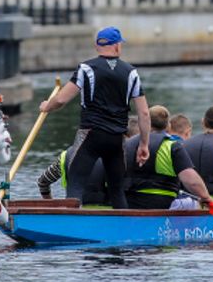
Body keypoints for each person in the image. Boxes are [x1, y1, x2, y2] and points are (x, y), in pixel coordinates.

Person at [39, 26, 151, 209]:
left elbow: (61, 99)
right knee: (117, 190)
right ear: (116, 46)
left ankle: (73, 228)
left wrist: (46, 106)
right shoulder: (131, 72)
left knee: (75, 185)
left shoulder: (86, 69)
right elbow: (144, 114)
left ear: (98, 46)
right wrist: (144, 144)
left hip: (90, 135)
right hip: (116, 139)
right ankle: (123, 229)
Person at [123, 105, 212, 210]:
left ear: (146, 122)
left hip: (129, 202)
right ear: (168, 126)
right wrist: (205, 197)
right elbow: (191, 181)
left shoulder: (128, 144)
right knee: (192, 203)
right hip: (162, 203)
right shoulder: (172, 146)